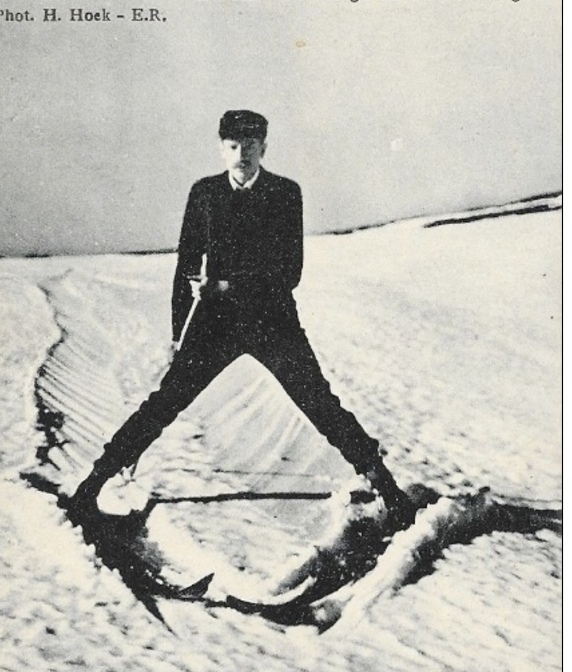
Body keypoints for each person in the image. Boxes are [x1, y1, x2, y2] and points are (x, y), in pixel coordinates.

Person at [68, 110, 415, 529]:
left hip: (273, 321)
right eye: (232, 147)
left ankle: (389, 491)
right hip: (214, 324)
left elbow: (291, 273)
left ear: (264, 148)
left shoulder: (286, 193)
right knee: (164, 402)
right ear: (221, 149)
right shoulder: (205, 193)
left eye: (249, 147)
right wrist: (180, 333)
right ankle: (90, 488)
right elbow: (186, 266)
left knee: (318, 402)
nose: (241, 155)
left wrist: (228, 287)